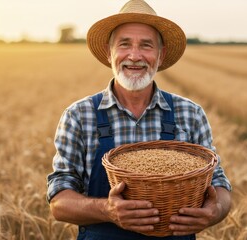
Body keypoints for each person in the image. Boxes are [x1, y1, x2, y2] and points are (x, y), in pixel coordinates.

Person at [46, 0, 232, 239]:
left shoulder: (190, 113)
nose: (134, 56)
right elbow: (58, 202)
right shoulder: (79, 115)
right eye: (124, 44)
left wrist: (214, 211)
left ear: (161, 55)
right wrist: (107, 210)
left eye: (146, 45)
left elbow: (219, 185)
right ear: (108, 51)